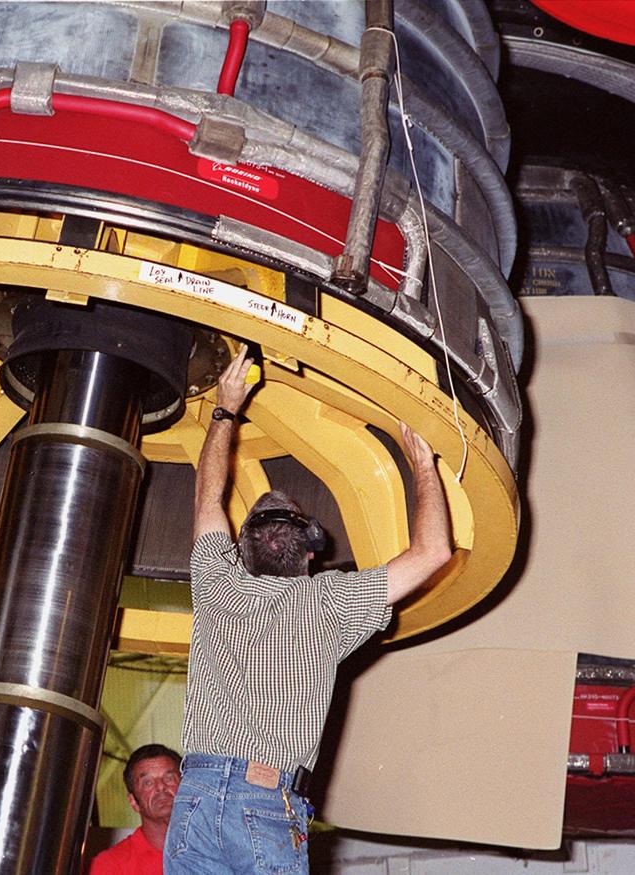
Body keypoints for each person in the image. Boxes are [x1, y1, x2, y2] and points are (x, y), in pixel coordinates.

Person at [164, 344, 453, 874]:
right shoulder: (330, 600)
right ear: (312, 551)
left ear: (241, 545)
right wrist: (422, 465)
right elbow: (434, 552)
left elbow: (208, 498)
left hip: (196, 799)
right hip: (265, 798)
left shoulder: (216, 583)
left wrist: (225, 408)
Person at [91, 744, 183, 875]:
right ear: (133, 802)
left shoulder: (215, 848)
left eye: (169, 778)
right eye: (148, 783)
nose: (161, 787)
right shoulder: (110, 866)